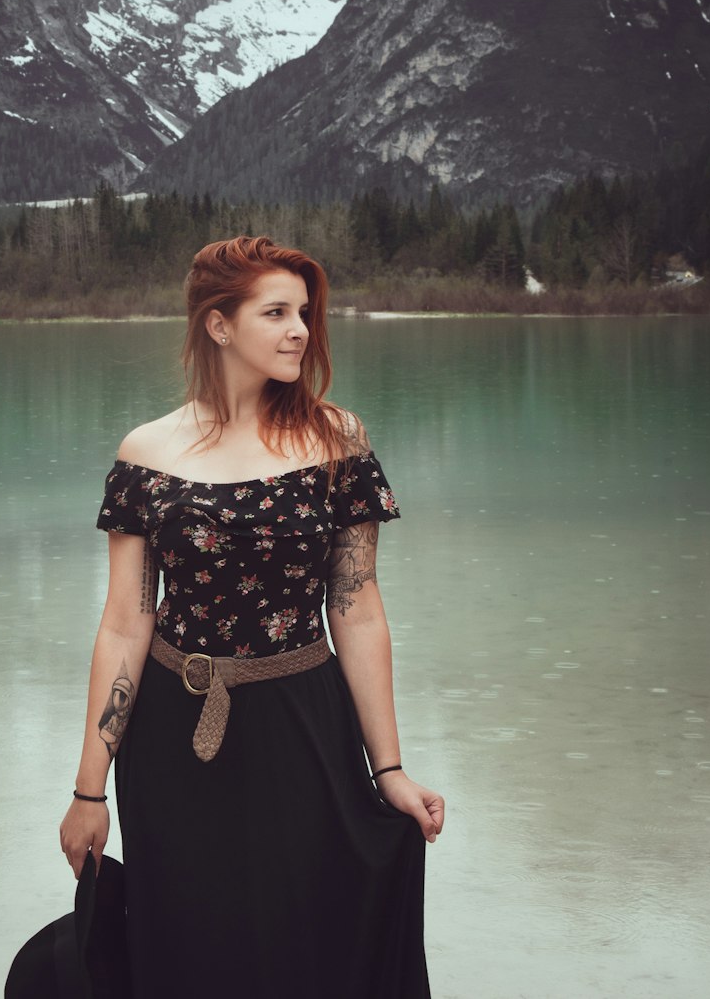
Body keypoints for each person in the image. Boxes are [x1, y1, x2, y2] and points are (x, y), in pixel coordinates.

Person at [59, 235, 444, 999]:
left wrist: (389, 768)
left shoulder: (338, 441)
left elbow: (357, 610)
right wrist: (88, 790)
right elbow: (126, 626)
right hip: (172, 740)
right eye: (276, 312)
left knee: (303, 939)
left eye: (304, 312)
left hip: (302, 724)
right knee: (190, 943)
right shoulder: (148, 453)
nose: (301, 329)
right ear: (218, 324)